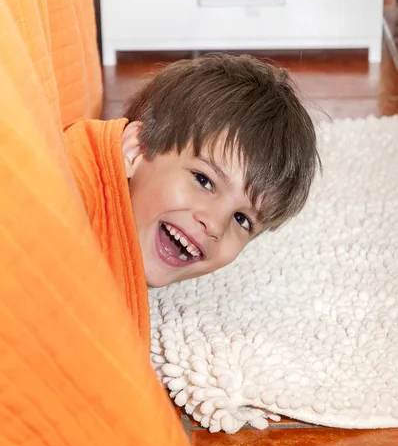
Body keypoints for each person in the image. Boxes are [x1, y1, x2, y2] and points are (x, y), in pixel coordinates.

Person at [66, 53, 320, 295]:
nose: (215, 225)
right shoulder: (69, 203)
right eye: (204, 181)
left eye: (242, 219)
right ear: (135, 150)